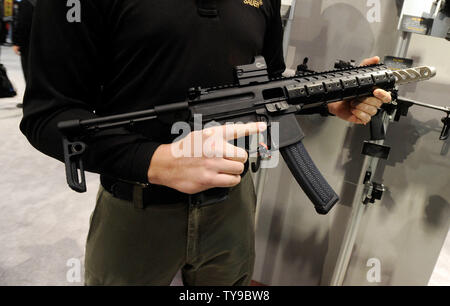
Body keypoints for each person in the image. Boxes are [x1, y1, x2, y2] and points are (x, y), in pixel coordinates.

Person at [20, 0, 391, 286]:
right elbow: (49, 115)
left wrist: (325, 99)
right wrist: (154, 161)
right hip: (136, 211)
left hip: (233, 206)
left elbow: (268, 79)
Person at [13, 0, 35, 82]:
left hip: (28, 44)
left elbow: (22, 23)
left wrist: (17, 42)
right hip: (45, 43)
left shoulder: (26, 3)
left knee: (29, 72)